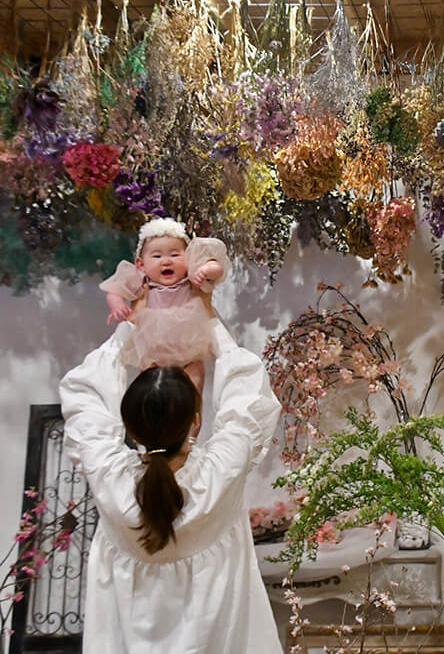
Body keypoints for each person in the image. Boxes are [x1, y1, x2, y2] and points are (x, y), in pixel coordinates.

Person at [59, 320, 283, 654]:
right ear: (196, 418)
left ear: (130, 428)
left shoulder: (110, 475)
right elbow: (247, 397)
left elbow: (83, 394)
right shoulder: (221, 472)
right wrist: (211, 326)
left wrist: (129, 328)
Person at [101, 217, 230, 391]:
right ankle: (151, 414)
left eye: (175, 254)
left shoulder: (190, 279)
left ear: (188, 257)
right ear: (141, 264)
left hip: (190, 348)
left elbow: (218, 268)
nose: (166, 261)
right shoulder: (141, 281)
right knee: (148, 385)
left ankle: (193, 414)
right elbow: (115, 290)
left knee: (194, 379)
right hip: (153, 352)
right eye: (157, 256)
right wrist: (116, 304)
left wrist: (205, 269)